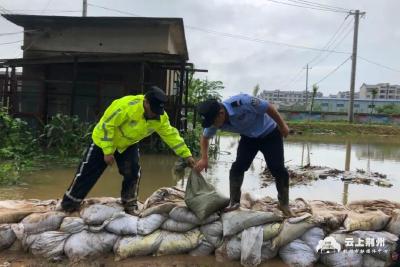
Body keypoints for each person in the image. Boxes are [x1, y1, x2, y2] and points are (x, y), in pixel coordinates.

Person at [58, 86, 195, 215]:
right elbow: (107, 125)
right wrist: (107, 151)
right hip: (104, 140)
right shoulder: (126, 107)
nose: (154, 114)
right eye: (152, 109)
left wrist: (186, 155)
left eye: (158, 111)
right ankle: (69, 204)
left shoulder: (159, 118)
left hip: (127, 144)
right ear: (146, 102)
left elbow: (171, 135)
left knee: (133, 171)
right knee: (88, 172)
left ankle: (129, 203)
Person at [194, 93, 294, 216]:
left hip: (270, 134)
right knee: (237, 167)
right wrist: (204, 158)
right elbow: (205, 138)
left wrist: (282, 126)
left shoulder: (242, 102)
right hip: (249, 138)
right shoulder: (214, 120)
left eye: (213, 122)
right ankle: (234, 202)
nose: (213, 126)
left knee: (278, 168)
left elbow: (268, 107)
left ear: (221, 113)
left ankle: (284, 204)